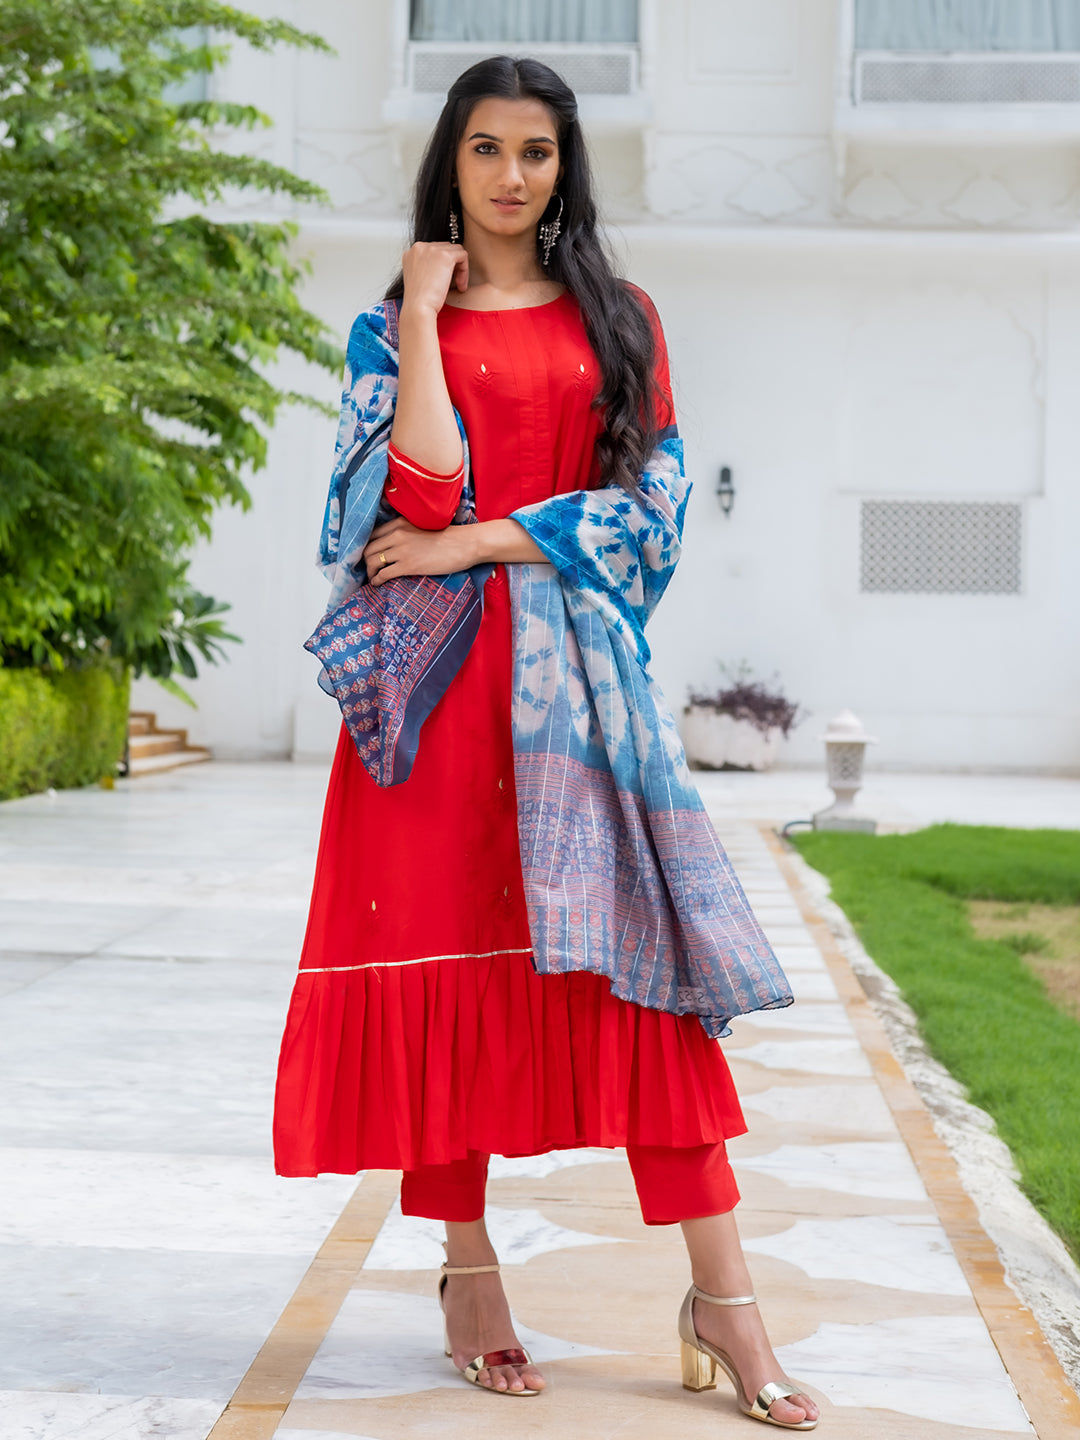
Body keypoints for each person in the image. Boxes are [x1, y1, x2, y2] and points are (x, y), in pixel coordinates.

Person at [274, 54, 819, 1431]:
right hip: (439, 704)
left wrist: (470, 543)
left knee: (643, 982)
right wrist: (417, 307)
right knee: (456, 975)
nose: (512, 176)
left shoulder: (617, 318)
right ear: (449, 163)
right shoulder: (390, 328)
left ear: (564, 167)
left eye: (537, 151)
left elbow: (649, 509)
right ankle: (467, 1269)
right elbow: (409, 490)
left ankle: (725, 1297)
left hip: (582, 706)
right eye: (486, 150)